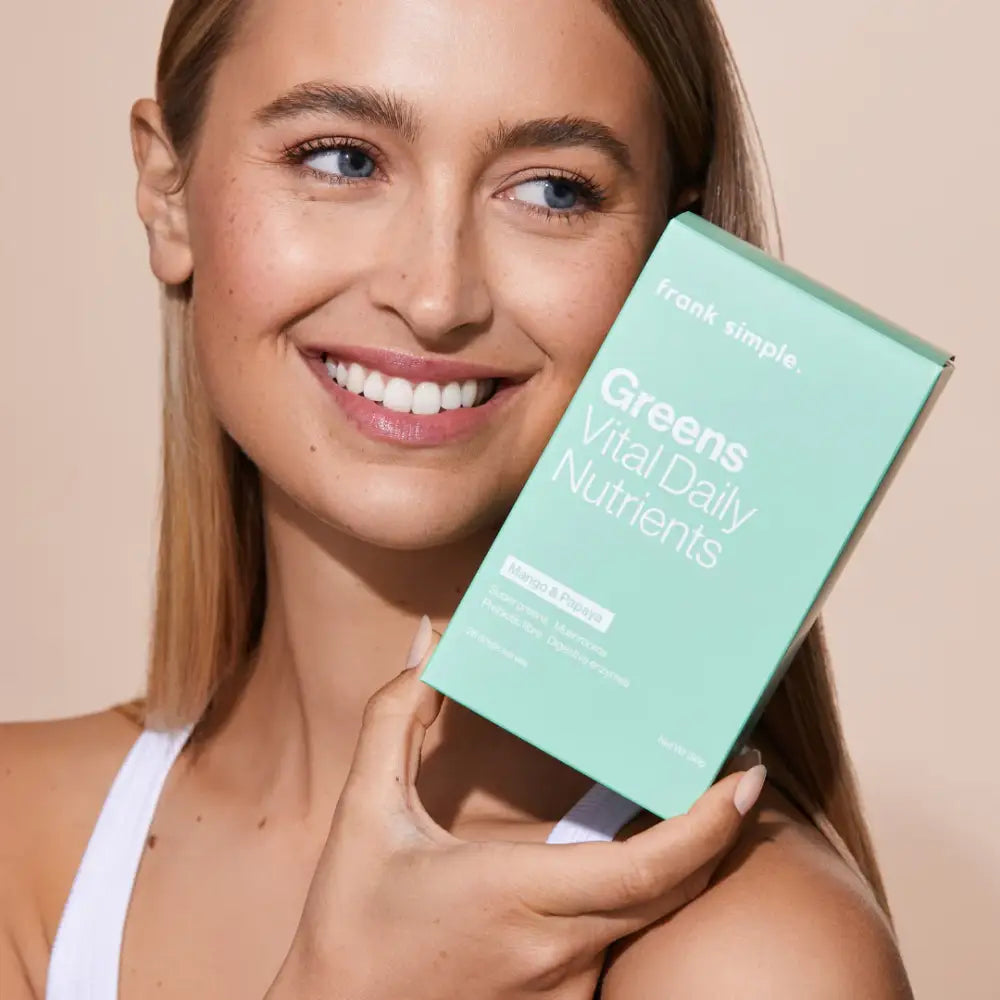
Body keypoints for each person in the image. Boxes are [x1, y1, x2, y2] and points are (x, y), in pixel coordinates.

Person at [0, 0, 915, 996]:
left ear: (669, 261)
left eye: (553, 190)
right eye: (341, 159)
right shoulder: (20, 836)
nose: (436, 295)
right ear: (168, 192)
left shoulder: (754, 956)